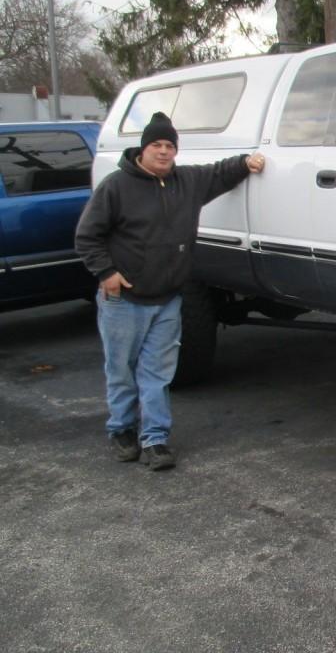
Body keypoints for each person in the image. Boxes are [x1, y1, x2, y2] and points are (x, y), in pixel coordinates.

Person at [75, 111, 266, 470]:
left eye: (169, 146)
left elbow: (220, 173)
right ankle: (121, 431)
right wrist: (107, 273)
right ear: (142, 149)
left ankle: (156, 440)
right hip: (123, 301)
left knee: (157, 374)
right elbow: (87, 236)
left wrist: (246, 162)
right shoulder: (117, 186)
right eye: (156, 145)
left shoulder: (187, 181)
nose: (163, 152)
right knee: (121, 370)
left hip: (167, 300)